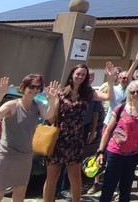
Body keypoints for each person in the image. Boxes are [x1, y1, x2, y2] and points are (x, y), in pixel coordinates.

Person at [42, 63, 116, 202]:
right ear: (72, 75)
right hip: (59, 139)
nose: (80, 76)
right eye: (78, 74)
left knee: (75, 177)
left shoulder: (88, 93)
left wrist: (111, 81)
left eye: (83, 74)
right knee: (53, 177)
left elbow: (108, 97)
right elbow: (51, 119)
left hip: (76, 139)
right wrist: (51, 101)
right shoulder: (61, 93)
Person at [0, 75, 58, 202]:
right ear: (23, 87)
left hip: (25, 157)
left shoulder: (38, 105)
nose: (35, 90)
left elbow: (49, 115)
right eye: (32, 86)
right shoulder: (12, 105)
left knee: (19, 196)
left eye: (38, 87)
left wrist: (52, 100)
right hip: (6, 156)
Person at [96, 80, 138, 202]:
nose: (135, 94)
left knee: (126, 188)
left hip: (132, 155)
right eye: (132, 92)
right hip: (115, 152)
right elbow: (107, 131)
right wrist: (100, 151)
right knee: (109, 187)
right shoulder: (120, 108)